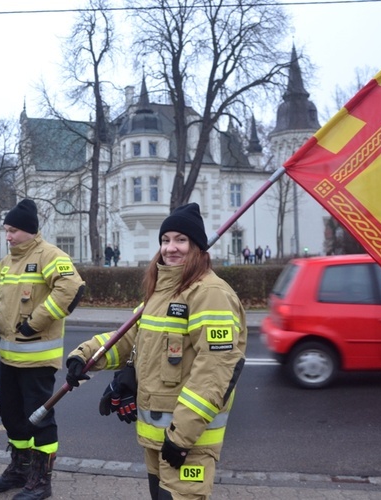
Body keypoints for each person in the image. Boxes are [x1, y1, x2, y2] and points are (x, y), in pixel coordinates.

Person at [65, 203, 247, 500]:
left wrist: (181, 437)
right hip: (156, 438)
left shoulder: (210, 293)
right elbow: (128, 339)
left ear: (197, 246)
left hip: (188, 442)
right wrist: (85, 356)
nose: (170, 248)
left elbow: (216, 370)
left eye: (180, 240)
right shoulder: (161, 292)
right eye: (165, 240)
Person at [0, 199, 85, 499]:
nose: (8, 236)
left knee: (39, 419)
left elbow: (71, 288)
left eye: (13, 231)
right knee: (11, 416)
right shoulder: (7, 260)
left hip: (38, 358)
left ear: (29, 230)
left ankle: (41, 480)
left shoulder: (50, 254)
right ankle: (21, 469)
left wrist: (35, 322)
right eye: (6, 231)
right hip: (9, 357)